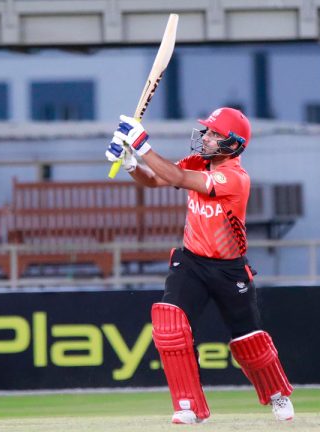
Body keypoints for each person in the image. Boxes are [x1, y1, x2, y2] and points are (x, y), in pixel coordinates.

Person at [105, 107, 294, 424]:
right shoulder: (198, 162)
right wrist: (130, 163)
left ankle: (277, 394)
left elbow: (177, 177)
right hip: (191, 261)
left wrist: (141, 142)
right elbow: (155, 180)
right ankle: (188, 406)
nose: (205, 137)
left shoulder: (234, 178)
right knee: (169, 325)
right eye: (206, 131)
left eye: (213, 133)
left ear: (232, 144)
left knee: (247, 339)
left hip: (228, 268)